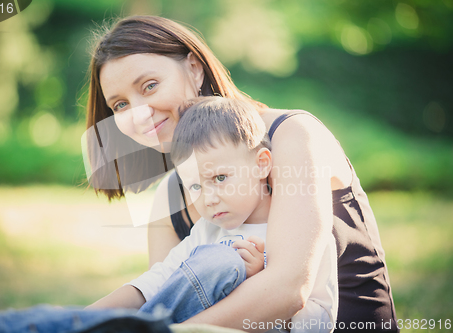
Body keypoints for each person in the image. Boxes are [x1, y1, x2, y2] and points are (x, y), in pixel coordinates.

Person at [85, 15, 399, 332]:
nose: (138, 116)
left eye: (149, 86)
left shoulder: (290, 137)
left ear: (194, 68)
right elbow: (167, 296)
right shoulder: (169, 199)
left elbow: (288, 289)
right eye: (121, 105)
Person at [87, 97, 339, 332]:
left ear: (261, 163)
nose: (209, 199)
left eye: (220, 178)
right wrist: (86, 317)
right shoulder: (206, 231)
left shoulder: (299, 231)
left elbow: (320, 320)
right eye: (195, 187)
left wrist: (260, 284)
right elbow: (158, 282)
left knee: (222, 262)